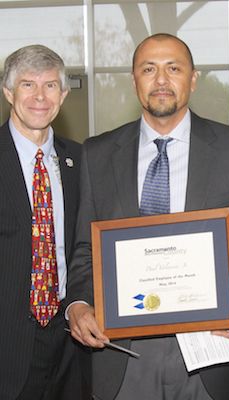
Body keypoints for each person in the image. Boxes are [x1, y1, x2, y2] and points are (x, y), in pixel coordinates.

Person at [66, 33, 229, 400]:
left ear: (193, 79)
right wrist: (79, 305)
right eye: (149, 69)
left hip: (212, 354)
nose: (161, 80)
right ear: (134, 80)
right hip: (123, 356)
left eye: (174, 68)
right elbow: (86, 249)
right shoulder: (96, 154)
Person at [0, 45, 90, 400]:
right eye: (27, 85)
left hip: (71, 341)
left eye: (50, 85)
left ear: (64, 94)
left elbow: (89, 246)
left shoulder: (82, 161)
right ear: (8, 92)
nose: (40, 96)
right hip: (7, 346)